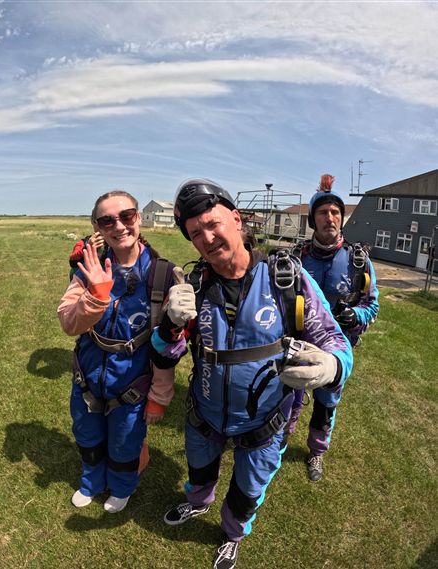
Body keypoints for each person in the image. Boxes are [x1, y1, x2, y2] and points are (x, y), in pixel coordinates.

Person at [151, 178, 353, 569]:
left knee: (246, 492)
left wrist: (332, 365)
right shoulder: (195, 286)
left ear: (237, 219)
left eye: (212, 224)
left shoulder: (287, 280)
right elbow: (164, 353)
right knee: (199, 473)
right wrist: (169, 324)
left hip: (264, 423)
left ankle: (232, 534)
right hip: (204, 415)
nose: (207, 238)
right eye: (196, 233)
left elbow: (334, 340)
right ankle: (198, 502)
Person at [57, 191, 176, 514]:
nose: (119, 226)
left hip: (132, 383)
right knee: (87, 434)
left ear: (139, 218)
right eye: (108, 221)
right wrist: (95, 295)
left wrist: (159, 396)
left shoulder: (162, 275)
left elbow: (168, 345)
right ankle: (91, 482)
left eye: (127, 216)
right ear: (97, 227)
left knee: (125, 442)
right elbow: (68, 322)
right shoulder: (88, 268)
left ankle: (122, 487)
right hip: (88, 375)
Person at [283, 174, 379, 481]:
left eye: (336, 212)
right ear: (313, 219)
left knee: (326, 404)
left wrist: (356, 316)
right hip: (299, 343)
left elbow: (372, 304)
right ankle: (282, 438)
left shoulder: (358, 260)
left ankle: (316, 451)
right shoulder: (295, 258)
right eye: (323, 212)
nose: (330, 218)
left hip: (335, 349)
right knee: (289, 394)